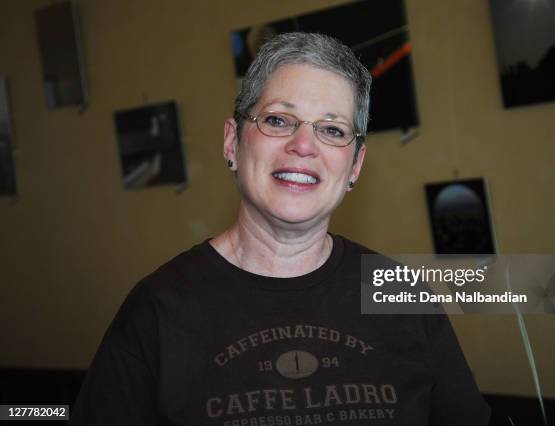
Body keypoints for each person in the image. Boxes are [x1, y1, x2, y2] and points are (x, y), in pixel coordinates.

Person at [70, 32, 490, 425]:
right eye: (277, 121)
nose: (303, 146)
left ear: (355, 165)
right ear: (232, 143)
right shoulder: (158, 310)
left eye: (331, 129)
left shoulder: (403, 296)